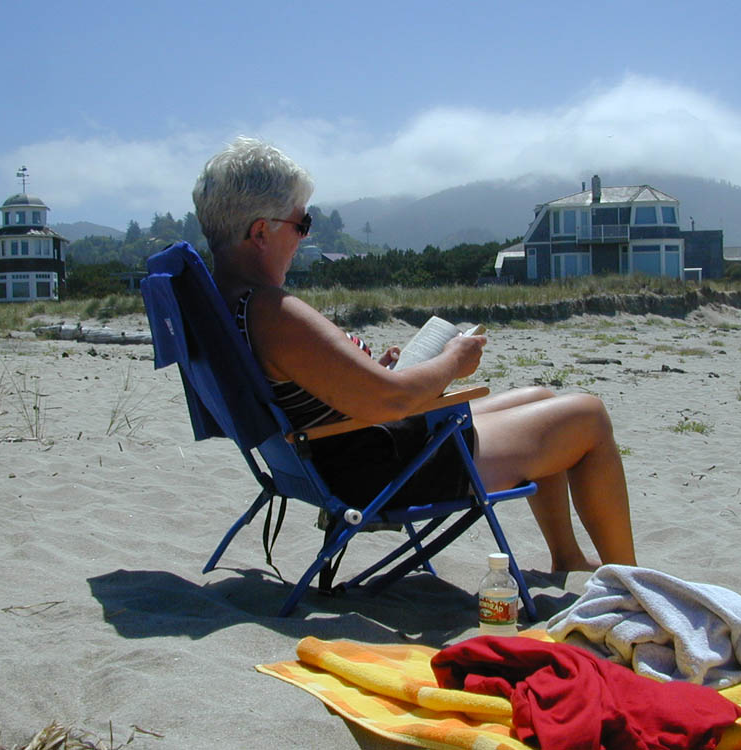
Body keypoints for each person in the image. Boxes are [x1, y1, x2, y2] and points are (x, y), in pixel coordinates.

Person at [192, 136, 637, 572]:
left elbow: (310, 389)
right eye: (302, 224)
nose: (304, 237)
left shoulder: (223, 305)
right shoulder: (272, 312)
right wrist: (454, 360)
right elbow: (392, 400)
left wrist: (361, 371)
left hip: (332, 452)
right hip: (381, 467)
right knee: (588, 416)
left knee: (541, 399)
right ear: (261, 231)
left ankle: (567, 557)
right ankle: (631, 583)